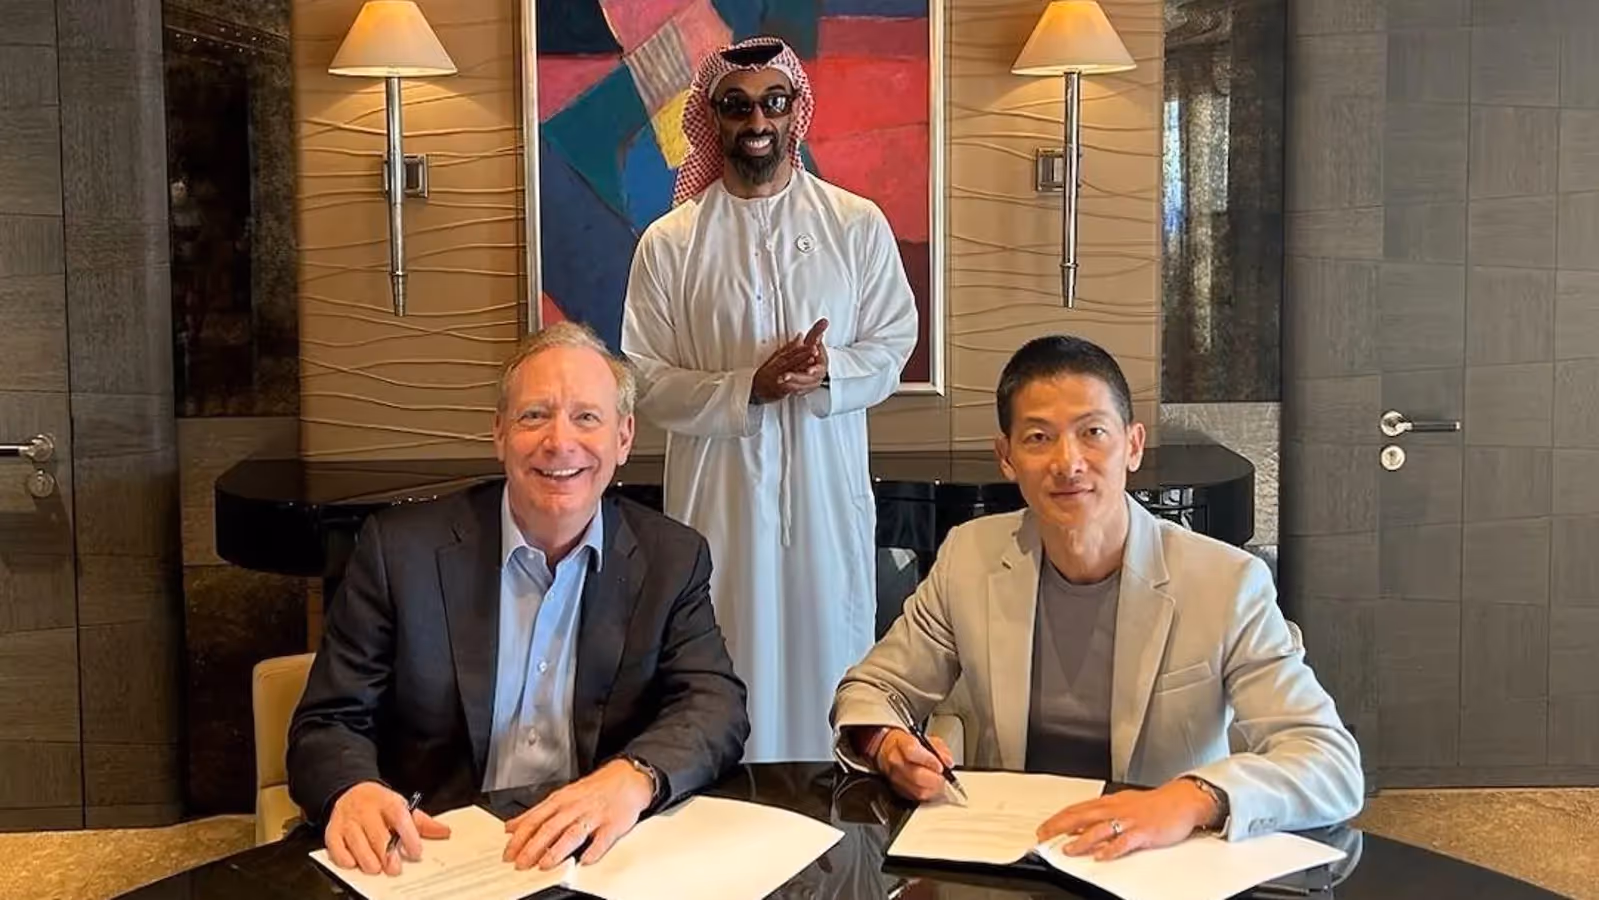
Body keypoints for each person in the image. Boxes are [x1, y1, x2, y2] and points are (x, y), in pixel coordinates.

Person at [831, 335, 1363, 859]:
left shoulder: (1226, 582)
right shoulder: (970, 556)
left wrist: (1190, 799)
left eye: (1093, 433)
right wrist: (886, 742)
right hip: (1018, 854)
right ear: (1006, 456)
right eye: (1038, 438)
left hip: (1156, 862)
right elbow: (874, 687)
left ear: (1132, 445)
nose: (1068, 462)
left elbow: (1329, 763)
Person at [288, 322, 749, 876]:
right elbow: (328, 722)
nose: (560, 442)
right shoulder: (400, 551)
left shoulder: (671, 558)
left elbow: (714, 705)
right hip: (435, 857)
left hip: (595, 860)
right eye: (535, 415)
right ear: (499, 432)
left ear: (623, 438)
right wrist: (352, 789)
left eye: (587, 417)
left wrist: (632, 776)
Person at [621, 35, 918, 762]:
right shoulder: (670, 243)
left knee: (830, 654)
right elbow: (645, 379)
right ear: (712, 119)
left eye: (772, 102)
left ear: (794, 113)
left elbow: (893, 339)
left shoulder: (855, 225)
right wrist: (744, 388)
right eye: (737, 105)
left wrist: (826, 374)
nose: (756, 119)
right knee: (722, 649)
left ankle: (833, 818)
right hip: (718, 499)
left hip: (824, 494)